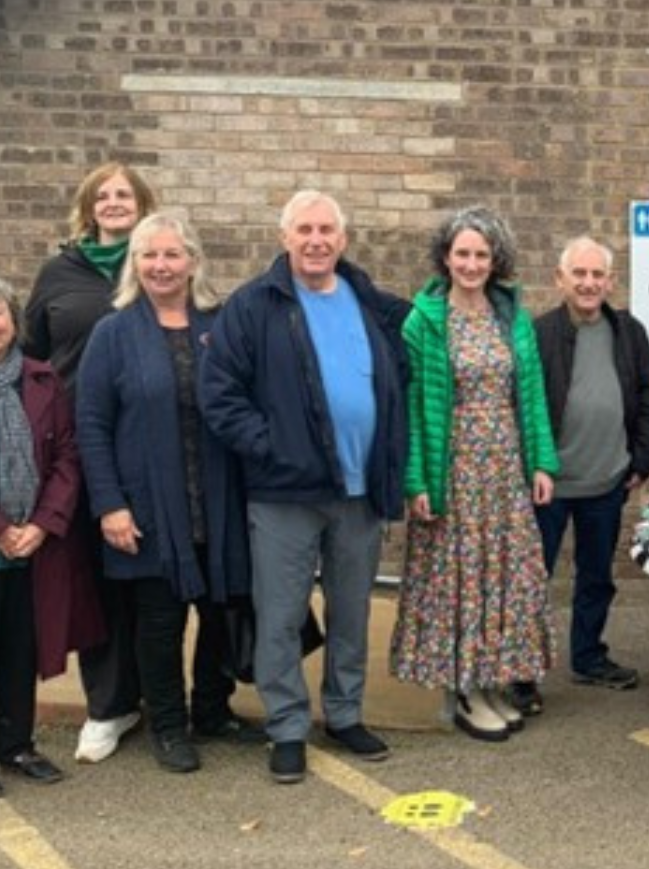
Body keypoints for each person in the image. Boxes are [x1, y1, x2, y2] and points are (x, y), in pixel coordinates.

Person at [199, 191, 410, 784]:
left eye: (326, 230)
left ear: (343, 240)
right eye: (304, 230)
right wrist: (274, 448)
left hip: (358, 491)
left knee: (352, 611)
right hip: (283, 494)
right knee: (281, 615)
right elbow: (220, 394)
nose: (316, 241)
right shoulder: (252, 306)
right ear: (284, 237)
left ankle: (344, 714)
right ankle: (286, 726)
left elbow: (406, 370)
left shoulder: (368, 302)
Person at [75, 214, 259, 774]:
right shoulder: (114, 333)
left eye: (172, 255)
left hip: (218, 498)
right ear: (135, 264)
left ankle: (211, 708)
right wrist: (109, 503)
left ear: (193, 261)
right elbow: (91, 422)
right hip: (150, 504)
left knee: (220, 608)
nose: (161, 266)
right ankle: (169, 725)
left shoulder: (221, 323)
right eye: (149, 256)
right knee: (159, 622)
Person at [393, 207, 558, 742]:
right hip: (454, 469)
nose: (471, 263)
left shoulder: (512, 317)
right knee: (459, 580)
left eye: (481, 255)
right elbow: (414, 407)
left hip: (505, 468)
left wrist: (541, 463)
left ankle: (490, 680)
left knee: (502, 579)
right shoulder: (424, 322)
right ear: (446, 257)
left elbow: (529, 395)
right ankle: (462, 689)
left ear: (496, 260)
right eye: (462, 253)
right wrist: (416, 482)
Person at [0, 268, 100, 799]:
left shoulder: (42, 379)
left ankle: (16, 744)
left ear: (13, 320)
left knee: (19, 648)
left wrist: (40, 526)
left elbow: (67, 457)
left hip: (32, 546)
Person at [25, 161, 159, 764]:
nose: (113, 203)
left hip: (148, 447)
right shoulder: (59, 273)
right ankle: (108, 704)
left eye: (124, 194)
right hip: (76, 448)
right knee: (93, 580)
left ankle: (160, 697)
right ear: (88, 207)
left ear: (143, 204)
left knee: (149, 580)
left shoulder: (159, 265)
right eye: (102, 195)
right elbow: (30, 354)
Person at [533, 236, 649, 703]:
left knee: (596, 577)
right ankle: (523, 673)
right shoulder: (538, 333)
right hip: (548, 485)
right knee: (533, 579)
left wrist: (642, 460)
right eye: (579, 274)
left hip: (607, 480)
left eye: (597, 275)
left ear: (610, 281)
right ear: (560, 279)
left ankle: (588, 657)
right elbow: (525, 406)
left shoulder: (630, 332)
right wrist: (532, 465)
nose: (588, 284)